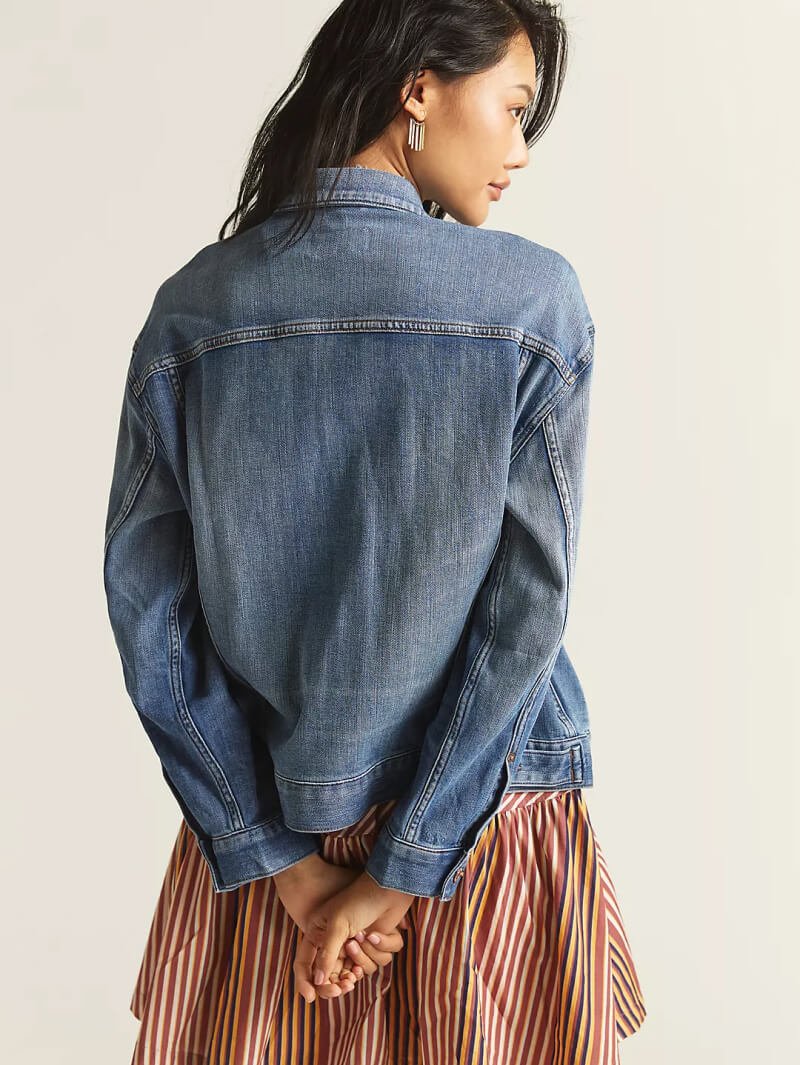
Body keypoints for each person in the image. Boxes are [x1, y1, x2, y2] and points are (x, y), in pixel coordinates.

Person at [103, 1, 647, 1061]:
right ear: (419, 88)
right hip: (489, 827)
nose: (519, 151)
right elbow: (525, 609)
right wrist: (408, 861)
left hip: (274, 837)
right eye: (513, 107)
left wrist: (286, 864)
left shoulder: (194, 309)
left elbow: (150, 615)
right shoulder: (531, 302)